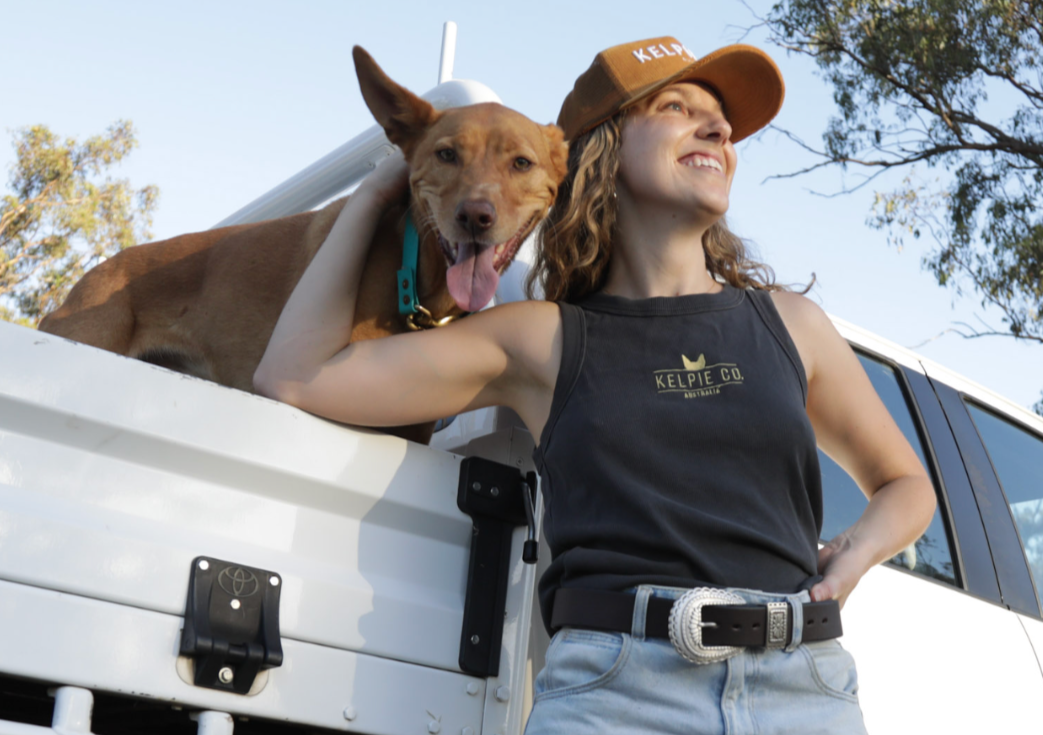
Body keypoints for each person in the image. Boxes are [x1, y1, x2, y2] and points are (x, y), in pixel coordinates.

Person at [255, 36, 936, 735]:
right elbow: (296, 375)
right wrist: (378, 190)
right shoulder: (540, 340)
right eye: (677, 106)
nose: (720, 129)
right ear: (601, 151)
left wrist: (855, 555)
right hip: (616, 696)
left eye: (722, 121)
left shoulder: (793, 325)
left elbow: (906, 484)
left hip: (806, 689)